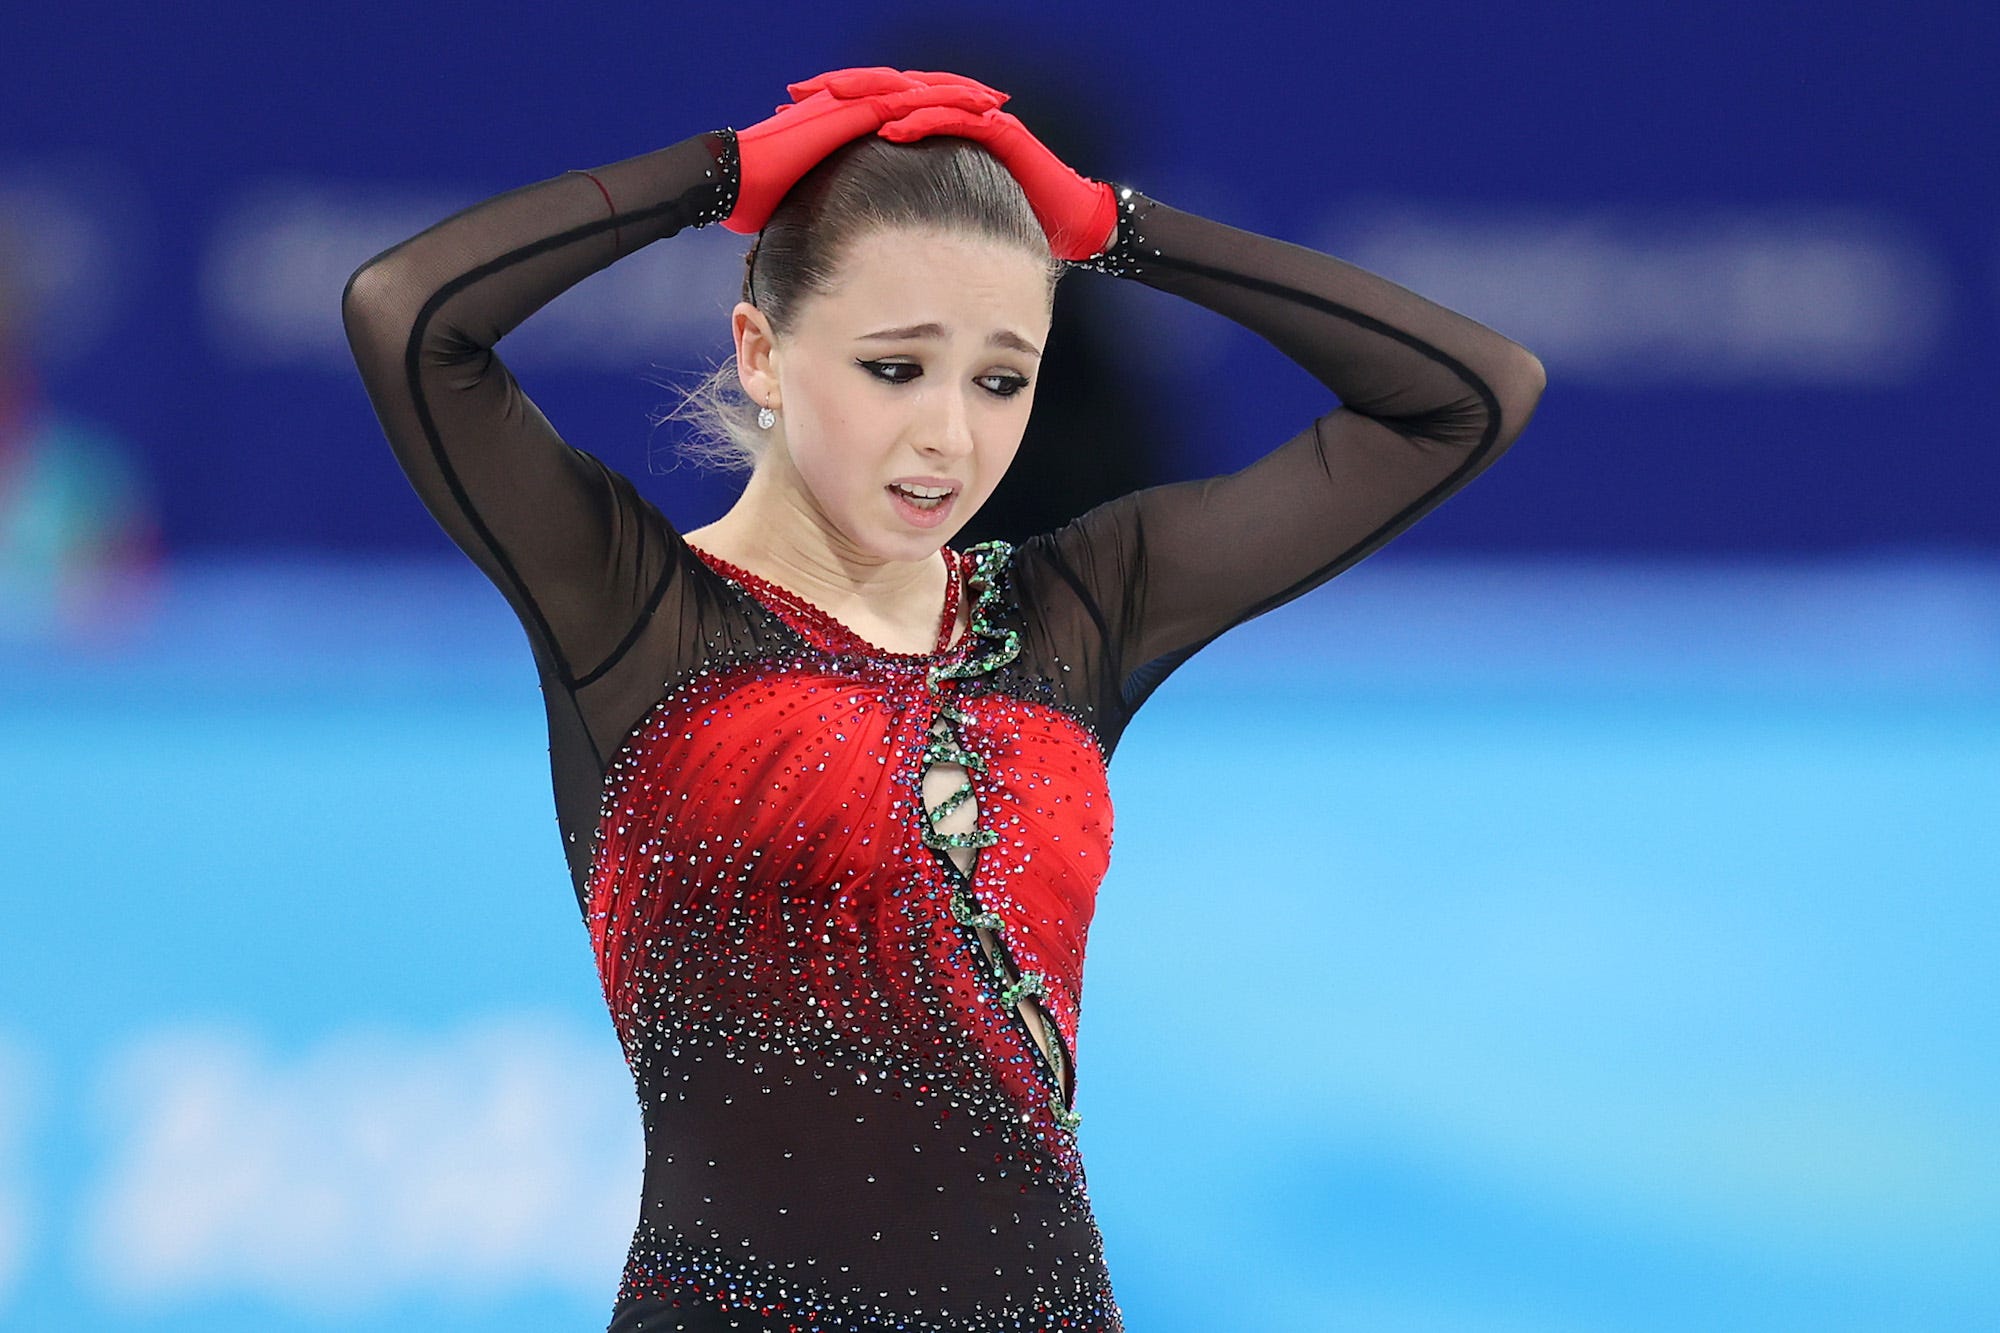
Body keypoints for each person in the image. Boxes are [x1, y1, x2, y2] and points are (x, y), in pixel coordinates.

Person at [341, 66, 1546, 1333]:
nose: (948, 439)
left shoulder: (1073, 614)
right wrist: (719, 174)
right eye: (894, 367)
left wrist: (1108, 229)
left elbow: (1467, 398)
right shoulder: (636, 613)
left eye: (997, 378)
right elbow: (409, 314)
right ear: (760, 349)